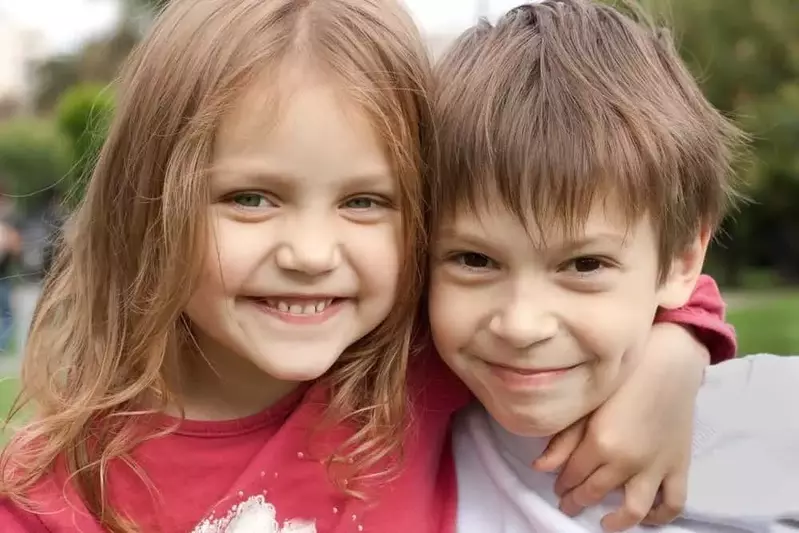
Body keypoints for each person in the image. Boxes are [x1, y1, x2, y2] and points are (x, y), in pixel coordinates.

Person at [0, 1, 734, 532]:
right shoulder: (50, 494)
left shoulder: (408, 363)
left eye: (363, 201)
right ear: (148, 203)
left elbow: (632, 269)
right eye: (250, 198)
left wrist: (675, 353)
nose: (311, 254)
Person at [427, 1, 798, 531]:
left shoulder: (776, 421)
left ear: (682, 261)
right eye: (474, 259)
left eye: (583, 265)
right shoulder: (403, 422)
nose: (521, 324)